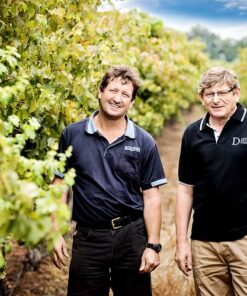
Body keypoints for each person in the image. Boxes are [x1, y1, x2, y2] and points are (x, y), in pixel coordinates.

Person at [51, 65, 167, 296]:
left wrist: (153, 245)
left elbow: (151, 197)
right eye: (113, 90)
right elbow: (59, 186)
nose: (117, 99)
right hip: (89, 237)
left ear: (131, 102)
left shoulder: (144, 141)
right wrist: (54, 232)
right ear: (100, 92)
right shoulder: (72, 134)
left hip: (131, 236)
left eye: (125, 95)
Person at [175, 66, 247, 296]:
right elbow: (186, 190)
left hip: (244, 241)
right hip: (204, 243)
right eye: (209, 94)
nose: (216, 99)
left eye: (222, 92)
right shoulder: (192, 133)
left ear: (236, 93)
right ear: (201, 98)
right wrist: (182, 243)